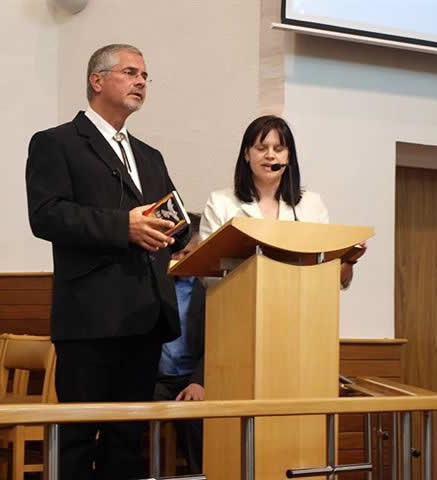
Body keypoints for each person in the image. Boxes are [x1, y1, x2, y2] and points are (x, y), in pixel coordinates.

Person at [26, 43, 190, 480]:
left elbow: (173, 214)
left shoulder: (149, 155)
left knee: (128, 440)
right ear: (97, 81)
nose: (141, 82)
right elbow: (47, 215)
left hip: (144, 313)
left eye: (145, 76)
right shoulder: (56, 143)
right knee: (78, 438)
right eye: (131, 72)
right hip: (90, 317)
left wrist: (180, 229)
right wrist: (123, 227)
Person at [200, 115, 364, 287]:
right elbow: (207, 272)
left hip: (300, 306)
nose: (270, 155)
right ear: (247, 154)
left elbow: (330, 279)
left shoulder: (312, 205)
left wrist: (350, 259)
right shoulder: (220, 203)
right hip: (238, 304)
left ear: (288, 157)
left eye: (278, 149)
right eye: (261, 148)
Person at [154, 213, 205, 474]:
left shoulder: (211, 288)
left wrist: (199, 381)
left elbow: (218, 343)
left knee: (197, 422)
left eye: (187, 254)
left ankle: (201, 475)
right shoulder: (154, 285)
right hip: (156, 378)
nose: (179, 260)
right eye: (175, 253)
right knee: (123, 422)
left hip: (191, 380)